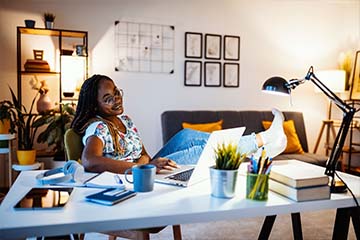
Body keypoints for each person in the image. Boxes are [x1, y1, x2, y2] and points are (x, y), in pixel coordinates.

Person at [71, 74, 287, 173]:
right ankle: (265, 139)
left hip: (145, 168)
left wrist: (147, 161)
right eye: (108, 98)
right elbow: (90, 161)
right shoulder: (98, 127)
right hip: (134, 177)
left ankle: (258, 151)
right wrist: (141, 167)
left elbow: (144, 153)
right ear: (95, 106)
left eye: (116, 93)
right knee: (202, 151)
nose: (116, 99)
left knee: (186, 136)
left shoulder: (124, 120)